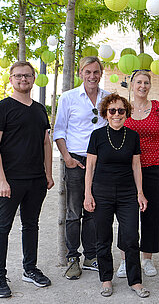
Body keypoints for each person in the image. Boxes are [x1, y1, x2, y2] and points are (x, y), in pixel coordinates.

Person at [84, 94, 150, 298]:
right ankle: (106, 279)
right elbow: (90, 167)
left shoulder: (132, 136)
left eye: (121, 110)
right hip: (101, 193)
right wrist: (88, 194)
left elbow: (136, 165)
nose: (116, 114)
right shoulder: (97, 136)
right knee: (103, 238)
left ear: (126, 113)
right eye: (112, 110)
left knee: (131, 237)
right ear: (105, 113)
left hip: (127, 194)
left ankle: (135, 281)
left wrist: (140, 193)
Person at [0, 61, 54, 298]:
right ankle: (0, 276)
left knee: (31, 225)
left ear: (34, 78)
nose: (24, 79)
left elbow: (46, 142)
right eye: (19, 75)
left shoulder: (40, 109)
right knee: (2, 228)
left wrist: (48, 174)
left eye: (28, 75)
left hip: (36, 180)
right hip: (10, 180)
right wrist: (1, 180)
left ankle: (29, 269)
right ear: (11, 79)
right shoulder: (3, 108)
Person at [54, 56, 109, 280]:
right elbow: (58, 131)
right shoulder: (68, 98)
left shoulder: (107, 98)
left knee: (93, 211)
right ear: (80, 73)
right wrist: (67, 158)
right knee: (74, 211)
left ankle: (91, 256)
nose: (92, 76)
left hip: (100, 162)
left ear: (101, 74)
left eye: (96, 72)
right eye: (87, 72)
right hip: (76, 161)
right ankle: (72, 258)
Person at [116, 70, 159, 278]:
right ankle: (125, 259)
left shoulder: (158, 109)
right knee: (126, 216)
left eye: (146, 82)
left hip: (155, 167)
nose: (142, 85)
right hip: (127, 170)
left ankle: (147, 259)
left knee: (151, 215)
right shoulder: (122, 108)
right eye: (138, 82)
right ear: (131, 85)